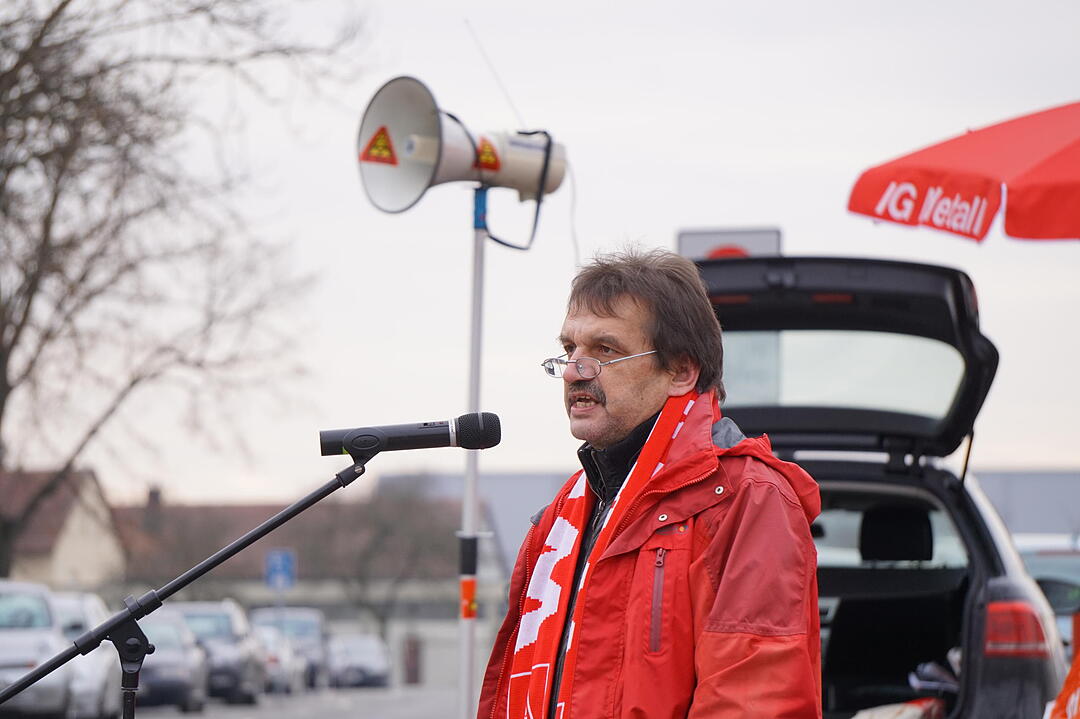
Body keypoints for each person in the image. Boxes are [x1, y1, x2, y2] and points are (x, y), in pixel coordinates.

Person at [477, 249, 822, 719]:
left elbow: (752, 702)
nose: (576, 369)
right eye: (569, 349)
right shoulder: (563, 515)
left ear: (681, 371)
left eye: (605, 350)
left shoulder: (747, 499)